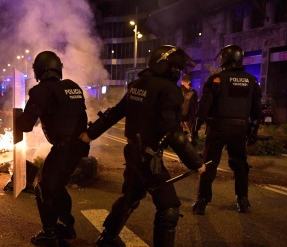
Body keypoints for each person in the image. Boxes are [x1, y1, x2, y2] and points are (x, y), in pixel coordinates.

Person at [79, 45, 206, 247]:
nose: (178, 73)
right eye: (175, 68)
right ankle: (109, 237)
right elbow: (173, 132)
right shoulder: (169, 90)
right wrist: (195, 162)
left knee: (132, 195)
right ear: (165, 66)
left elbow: (115, 113)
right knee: (169, 207)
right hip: (149, 157)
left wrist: (90, 134)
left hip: (133, 152)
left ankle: (108, 237)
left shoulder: (137, 84)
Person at [15, 51, 90, 246]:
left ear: (39, 71)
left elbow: (25, 125)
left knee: (44, 188)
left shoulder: (42, 90)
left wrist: (16, 118)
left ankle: (50, 233)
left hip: (64, 148)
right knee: (57, 186)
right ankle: (68, 226)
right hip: (79, 147)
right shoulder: (72, 87)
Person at [190, 44, 263, 215]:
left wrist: (195, 130)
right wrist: (254, 131)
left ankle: (202, 201)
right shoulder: (251, 81)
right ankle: (243, 201)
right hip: (240, 129)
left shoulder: (216, 79)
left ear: (225, 58)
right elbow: (257, 112)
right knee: (240, 166)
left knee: (209, 165)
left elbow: (203, 109)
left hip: (217, 129)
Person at [180, 74, 198, 145]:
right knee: (191, 129)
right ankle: (191, 141)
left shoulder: (178, 90)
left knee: (183, 130)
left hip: (181, 114)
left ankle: (185, 142)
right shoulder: (193, 92)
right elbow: (195, 105)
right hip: (189, 114)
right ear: (189, 82)